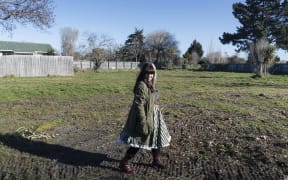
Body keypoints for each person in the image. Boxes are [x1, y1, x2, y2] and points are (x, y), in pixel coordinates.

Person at [118, 62, 171, 174]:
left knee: (156, 139)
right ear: (143, 73)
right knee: (139, 141)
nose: (150, 74)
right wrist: (143, 123)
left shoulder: (150, 83)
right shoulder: (141, 85)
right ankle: (124, 162)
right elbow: (139, 105)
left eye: (152, 72)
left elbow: (151, 99)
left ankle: (155, 160)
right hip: (143, 117)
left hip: (154, 116)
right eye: (147, 72)